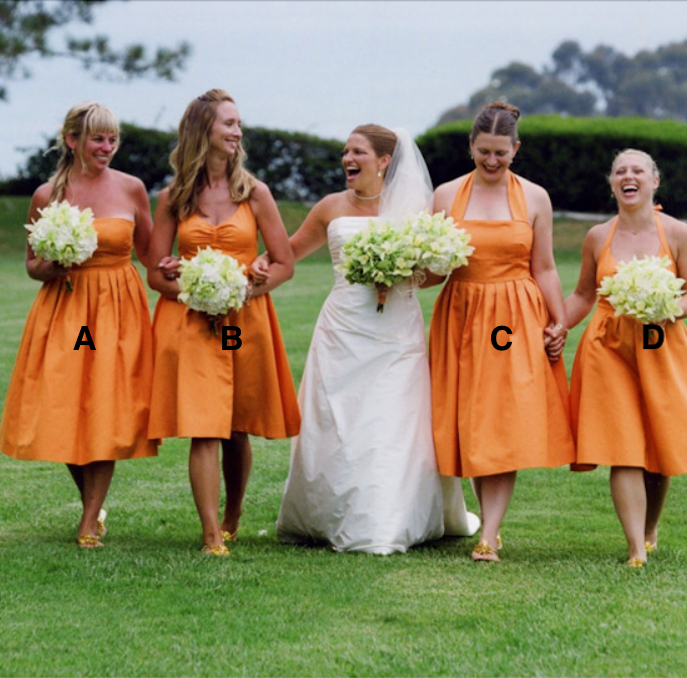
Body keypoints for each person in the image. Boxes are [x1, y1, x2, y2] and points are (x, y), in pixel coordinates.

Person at [253, 124, 479, 554]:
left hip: (397, 330)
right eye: (344, 152)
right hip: (341, 327)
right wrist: (257, 266)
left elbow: (436, 272)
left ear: (384, 161)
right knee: (337, 418)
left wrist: (402, 272)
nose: (346, 159)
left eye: (357, 152)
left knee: (391, 418)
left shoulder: (415, 208)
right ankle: (322, 514)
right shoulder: (329, 207)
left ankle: (384, 520)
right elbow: (289, 251)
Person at [147, 89, 300, 556]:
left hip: (245, 320)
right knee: (204, 425)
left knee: (236, 425)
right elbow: (156, 272)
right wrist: (188, 289)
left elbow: (284, 262)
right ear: (203, 131)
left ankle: (233, 516)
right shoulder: (173, 197)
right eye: (228, 124)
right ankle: (211, 533)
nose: (236, 132)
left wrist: (245, 289)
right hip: (190, 323)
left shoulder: (255, 193)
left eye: (238, 125)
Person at [0, 102, 158, 548]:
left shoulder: (132, 189)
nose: (107, 147)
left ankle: (89, 521)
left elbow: (148, 253)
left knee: (104, 407)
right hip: (66, 309)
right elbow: (32, 265)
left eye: (112, 140)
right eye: (97, 139)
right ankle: (95, 504)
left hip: (117, 308)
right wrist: (51, 265)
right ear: (73, 140)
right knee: (64, 405)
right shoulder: (46, 195)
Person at [564, 148, 687, 567]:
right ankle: (636, 549)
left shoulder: (677, 233)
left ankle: (650, 529)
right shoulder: (598, 236)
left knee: (659, 447)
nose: (628, 176)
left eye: (638, 170)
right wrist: (555, 326)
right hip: (607, 346)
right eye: (620, 170)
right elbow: (585, 294)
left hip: (660, 344)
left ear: (655, 181)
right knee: (624, 447)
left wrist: (664, 307)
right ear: (612, 183)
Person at [428, 102, 575, 563]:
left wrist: (559, 321)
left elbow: (545, 267)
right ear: (471, 146)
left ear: (516, 148)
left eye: (501, 153)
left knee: (502, 420)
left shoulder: (535, 198)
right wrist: (399, 275)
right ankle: (488, 524)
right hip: (461, 311)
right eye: (484, 152)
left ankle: (489, 533)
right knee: (474, 419)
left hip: (513, 316)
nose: (492, 161)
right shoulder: (446, 194)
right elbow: (435, 269)